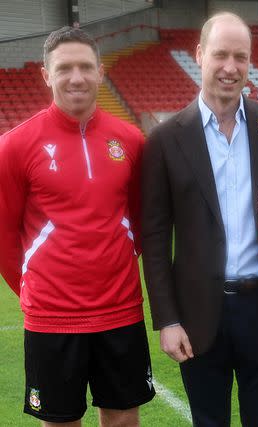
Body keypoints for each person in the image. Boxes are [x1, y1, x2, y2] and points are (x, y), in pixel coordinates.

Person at [141, 11, 258, 427]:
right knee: (208, 421)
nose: (231, 68)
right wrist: (168, 320)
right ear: (199, 55)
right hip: (197, 315)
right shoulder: (165, 138)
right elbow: (155, 238)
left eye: (241, 57)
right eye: (221, 55)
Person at [0, 27, 154, 426]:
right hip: (51, 317)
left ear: (101, 72)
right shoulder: (16, 145)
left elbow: (139, 218)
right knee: (60, 420)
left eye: (86, 67)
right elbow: (4, 234)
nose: (76, 77)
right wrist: (38, 289)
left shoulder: (131, 140)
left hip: (120, 312)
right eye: (64, 68)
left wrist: (113, 265)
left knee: (123, 418)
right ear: (46, 75)